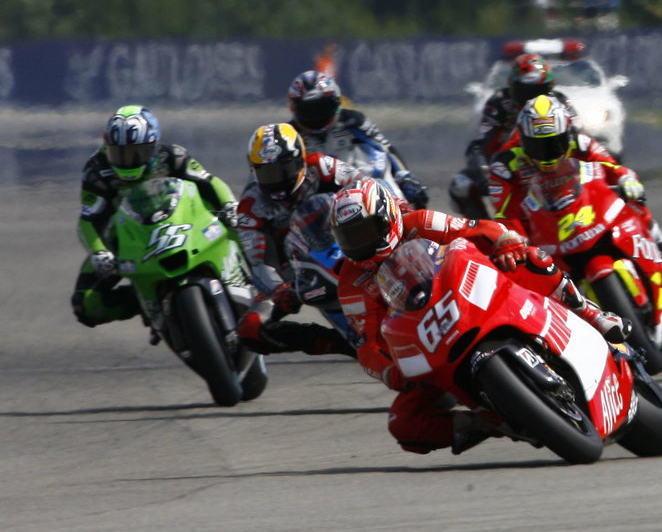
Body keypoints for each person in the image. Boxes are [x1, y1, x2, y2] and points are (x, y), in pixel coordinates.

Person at [329, 178, 629, 454]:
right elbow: (367, 342)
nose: (361, 243)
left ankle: (593, 315)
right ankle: (486, 422)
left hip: (470, 293)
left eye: (365, 231)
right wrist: (389, 371)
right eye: (350, 237)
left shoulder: (420, 222)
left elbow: (475, 229)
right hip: (428, 341)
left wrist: (505, 241)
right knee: (402, 423)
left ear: (388, 218)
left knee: (529, 259)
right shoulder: (351, 282)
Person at [486, 95, 662, 283]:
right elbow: (504, 212)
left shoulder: (580, 143)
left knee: (633, 199)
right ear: (523, 141)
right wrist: (514, 237)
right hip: (539, 228)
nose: (547, 153)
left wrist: (625, 179)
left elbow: (612, 166)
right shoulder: (504, 166)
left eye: (555, 143)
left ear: (566, 134)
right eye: (537, 146)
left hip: (585, 207)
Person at [71, 105, 239, 329]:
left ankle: (258, 278)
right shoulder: (96, 171)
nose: (128, 161)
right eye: (118, 153)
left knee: (243, 224)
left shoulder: (173, 156)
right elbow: (87, 221)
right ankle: (146, 300)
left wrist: (229, 206)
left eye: (137, 153)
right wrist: (99, 252)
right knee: (85, 305)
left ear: (153, 145)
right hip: (126, 239)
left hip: (183, 223)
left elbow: (210, 182)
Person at [232, 123, 366, 356]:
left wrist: (398, 208)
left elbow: (367, 185)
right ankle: (337, 343)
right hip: (295, 273)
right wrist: (279, 289)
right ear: (254, 171)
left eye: (284, 170)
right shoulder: (250, 207)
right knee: (251, 329)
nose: (277, 181)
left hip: (347, 241)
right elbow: (258, 262)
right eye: (267, 173)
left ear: (301, 160)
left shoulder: (322, 165)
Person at [448, 53, 604, 219]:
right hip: (513, 168)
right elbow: (479, 145)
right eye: (525, 91)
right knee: (461, 184)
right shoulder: (499, 103)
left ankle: (599, 217)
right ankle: (486, 230)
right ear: (512, 87)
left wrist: (576, 167)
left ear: (550, 88)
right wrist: (485, 174)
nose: (532, 98)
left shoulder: (560, 102)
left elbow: (579, 137)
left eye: (539, 91)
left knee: (604, 164)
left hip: (555, 166)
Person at [285, 70, 429, 209]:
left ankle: (400, 212)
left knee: (384, 168)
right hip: (315, 196)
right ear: (294, 109)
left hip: (359, 184)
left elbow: (385, 147)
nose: (317, 116)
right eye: (308, 111)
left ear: (336, 102)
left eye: (322, 108)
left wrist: (404, 176)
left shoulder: (354, 120)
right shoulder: (289, 134)